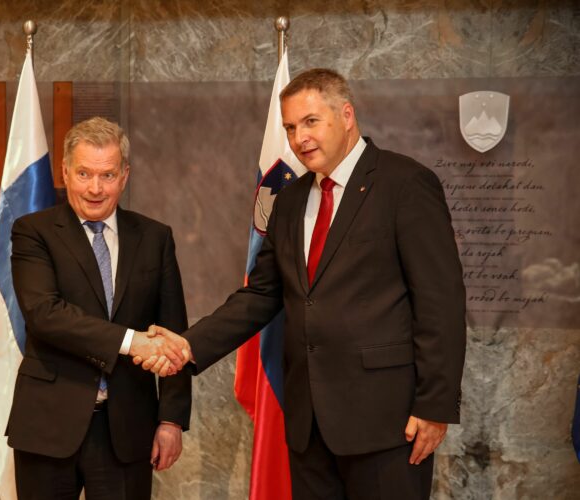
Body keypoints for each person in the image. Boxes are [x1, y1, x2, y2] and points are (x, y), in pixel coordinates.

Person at [140, 68, 466, 499]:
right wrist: (187, 346)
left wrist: (434, 406)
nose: (299, 138)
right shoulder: (289, 201)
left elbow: (440, 301)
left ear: (346, 115)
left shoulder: (404, 184)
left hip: (386, 422)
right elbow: (261, 295)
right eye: (291, 128)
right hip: (309, 424)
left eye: (311, 122)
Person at [6, 117, 192, 500]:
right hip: (48, 425)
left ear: (124, 175)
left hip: (126, 429)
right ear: (65, 172)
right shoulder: (33, 231)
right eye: (84, 173)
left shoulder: (155, 238)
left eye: (106, 175)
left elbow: (173, 333)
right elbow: (44, 314)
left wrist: (171, 419)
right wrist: (131, 342)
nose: (94, 188)